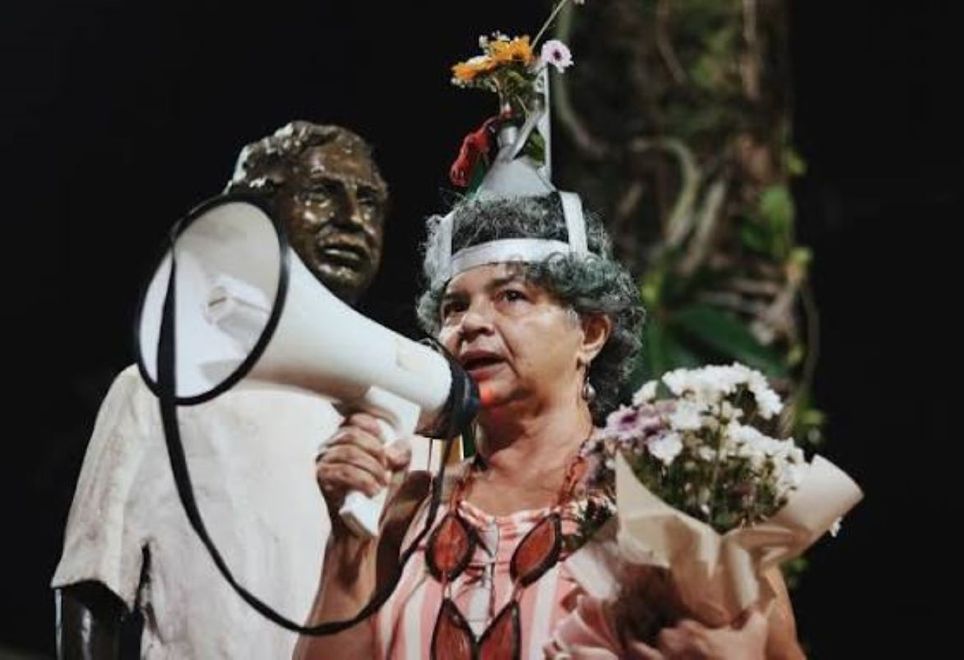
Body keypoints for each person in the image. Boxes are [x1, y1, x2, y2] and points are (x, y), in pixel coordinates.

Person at [295, 168, 805, 657]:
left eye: (511, 297)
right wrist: (347, 544)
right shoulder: (411, 505)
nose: (471, 324)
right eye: (454, 307)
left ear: (590, 333)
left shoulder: (662, 494)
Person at [52, 121, 391, 659]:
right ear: (251, 215)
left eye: (370, 201)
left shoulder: (403, 416)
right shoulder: (159, 392)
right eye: (322, 193)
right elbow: (91, 589)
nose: (353, 220)